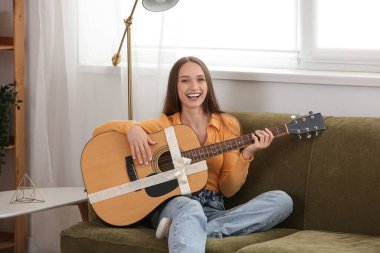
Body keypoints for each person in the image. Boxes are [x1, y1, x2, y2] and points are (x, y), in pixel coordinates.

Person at [93, 56, 293, 253]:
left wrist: (247, 153)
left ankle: (187, 229)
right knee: (190, 208)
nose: (194, 87)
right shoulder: (164, 126)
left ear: (207, 84)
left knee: (282, 201)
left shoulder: (227, 124)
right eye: (185, 80)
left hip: (213, 208)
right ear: (175, 87)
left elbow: (229, 189)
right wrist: (132, 128)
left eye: (200, 79)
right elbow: (99, 132)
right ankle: (186, 225)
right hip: (175, 204)